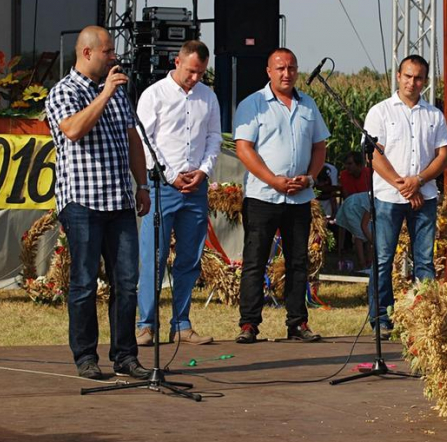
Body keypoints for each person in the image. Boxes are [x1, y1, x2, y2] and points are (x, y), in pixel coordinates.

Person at [45, 26, 151, 380]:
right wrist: (104, 94)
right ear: (87, 53)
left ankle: (125, 356)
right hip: (83, 202)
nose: (114, 57)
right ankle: (86, 357)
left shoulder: (118, 92)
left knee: (126, 282)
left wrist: (142, 184)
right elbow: (73, 130)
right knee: (85, 283)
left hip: (120, 200)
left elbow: (131, 138)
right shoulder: (63, 91)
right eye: (108, 52)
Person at [233, 48, 329, 343]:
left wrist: (310, 177)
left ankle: (297, 323)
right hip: (263, 196)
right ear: (268, 71)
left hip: (298, 198)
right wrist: (272, 180)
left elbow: (319, 147)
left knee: (298, 261)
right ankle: (249, 324)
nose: (286, 74)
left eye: (291, 68)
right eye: (280, 69)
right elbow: (244, 148)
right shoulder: (254, 104)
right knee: (255, 261)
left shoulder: (308, 105)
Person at [135, 40, 222, 346]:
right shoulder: (154, 95)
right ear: (177, 62)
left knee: (190, 258)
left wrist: (203, 171)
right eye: (191, 71)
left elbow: (214, 138)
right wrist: (170, 176)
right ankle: (145, 324)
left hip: (195, 188)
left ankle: (181, 324)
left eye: (200, 73)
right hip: (163, 187)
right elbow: (145, 141)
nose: (195, 78)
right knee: (154, 256)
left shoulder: (208, 97)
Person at [363, 54, 447, 338]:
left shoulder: (433, 115)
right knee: (383, 259)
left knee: (424, 260)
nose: (412, 82)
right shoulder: (381, 112)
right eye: (408, 76)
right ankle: (381, 318)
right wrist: (403, 185)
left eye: (418, 78)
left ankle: (425, 317)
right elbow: (374, 156)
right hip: (389, 196)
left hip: (424, 196)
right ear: (398, 76)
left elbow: (443, 155)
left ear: (425, 81)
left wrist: (419, 181)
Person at [334, 192, 373, 271]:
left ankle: (369, 262)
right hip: (351, 206)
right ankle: (362, 264)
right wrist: (373, 241)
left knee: (369, 234)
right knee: (359, 235)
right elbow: (363, 226)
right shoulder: (373, 203)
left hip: (357, 205)